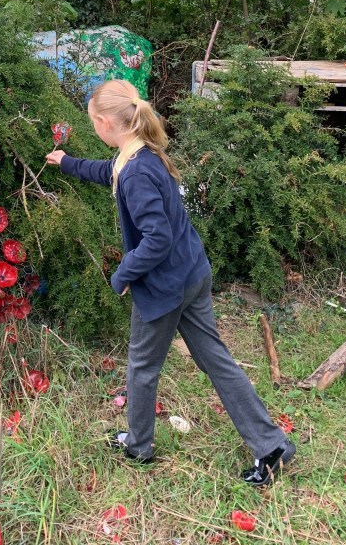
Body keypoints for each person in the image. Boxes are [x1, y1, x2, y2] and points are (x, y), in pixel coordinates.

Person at [45, 79, 295, 484]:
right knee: (216, 360)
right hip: (192, 273)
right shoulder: (141, 155)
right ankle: (272, 447)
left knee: (142, 367)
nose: (93, 127)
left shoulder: (135, 174)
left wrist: (123, 274)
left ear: (106, 123)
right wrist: (68, 162)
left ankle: (138, 446)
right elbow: (107, 170)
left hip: (163, 289)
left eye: (92, 121)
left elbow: (156, 238)